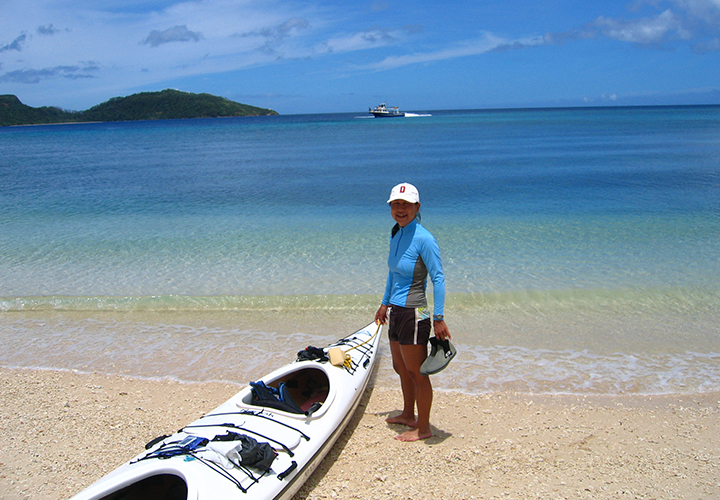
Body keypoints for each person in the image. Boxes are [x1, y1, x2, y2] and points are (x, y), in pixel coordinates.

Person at [375, 182, 451, 442]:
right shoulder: (397, 233)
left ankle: (425, 427)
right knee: (400, 367)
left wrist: (438, 318)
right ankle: (409, 414)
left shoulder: (424, 238)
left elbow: (438, 279)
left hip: (415, 312)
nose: (400, 209)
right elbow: (392, 273)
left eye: (406, 205)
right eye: (395, 204)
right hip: (396, 310)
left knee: (417, 372)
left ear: (417, 207)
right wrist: (385, 303)